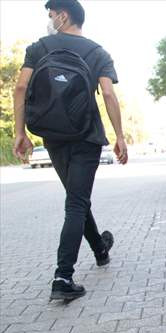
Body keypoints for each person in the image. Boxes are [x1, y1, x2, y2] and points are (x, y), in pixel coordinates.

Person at [12, 0, 128, 300]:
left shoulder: (39, 47)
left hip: (54, 136)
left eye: (51, 15)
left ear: (63, 16)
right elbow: (109, 94)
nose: (49, 20)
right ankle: (63, 277)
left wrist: (20, 132)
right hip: (87, 135)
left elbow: (21, 89)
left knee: (77, 199)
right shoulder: (98, 52)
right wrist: (120, 136)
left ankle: (100, 249)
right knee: (77, 202)